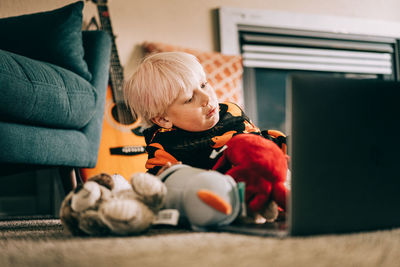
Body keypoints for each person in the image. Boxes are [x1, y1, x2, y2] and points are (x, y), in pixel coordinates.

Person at [124, 51, 284, 175]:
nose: (206, 98)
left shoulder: (230, 112)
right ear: (164, 119)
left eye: (203, 85)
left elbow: (260, 142)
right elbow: (160, 184)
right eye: (189, 99)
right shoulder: (164, 146)